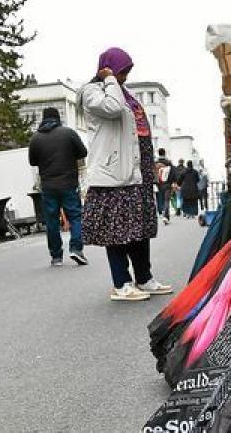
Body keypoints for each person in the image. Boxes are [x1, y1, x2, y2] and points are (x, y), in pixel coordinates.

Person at [78, 47, 172, 302]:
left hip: (137, 170)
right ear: (108, 68)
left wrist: (149, 163)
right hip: (113, 172)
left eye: (126, 72)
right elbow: (112, 108)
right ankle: (121, 283)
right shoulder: (93, 92)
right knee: (116, 229)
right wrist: (109, 79)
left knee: (139, 226)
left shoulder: (124, 92)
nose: (125, 77)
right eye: (122, 71)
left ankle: (144, 277)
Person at [28, 107, 89, 267]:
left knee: (52, 221)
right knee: (75, 216)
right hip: (69, 183)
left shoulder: (36, 138)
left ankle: (56, 256)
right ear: (58, 118)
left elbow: (32, 162)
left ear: (43, 119)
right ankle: (76, 249)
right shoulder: (68, 133)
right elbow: (83, 152)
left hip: (48, 186)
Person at [155, 148, 175, 225]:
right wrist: (173, 182)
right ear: (165, 153)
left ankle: (160, 212)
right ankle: (166, 216)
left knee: (159, 199)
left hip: (158, 184)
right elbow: (173, 173)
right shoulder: (168, 162)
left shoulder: (156, 162)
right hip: (167, 184)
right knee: (167, 200)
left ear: (158, 153)